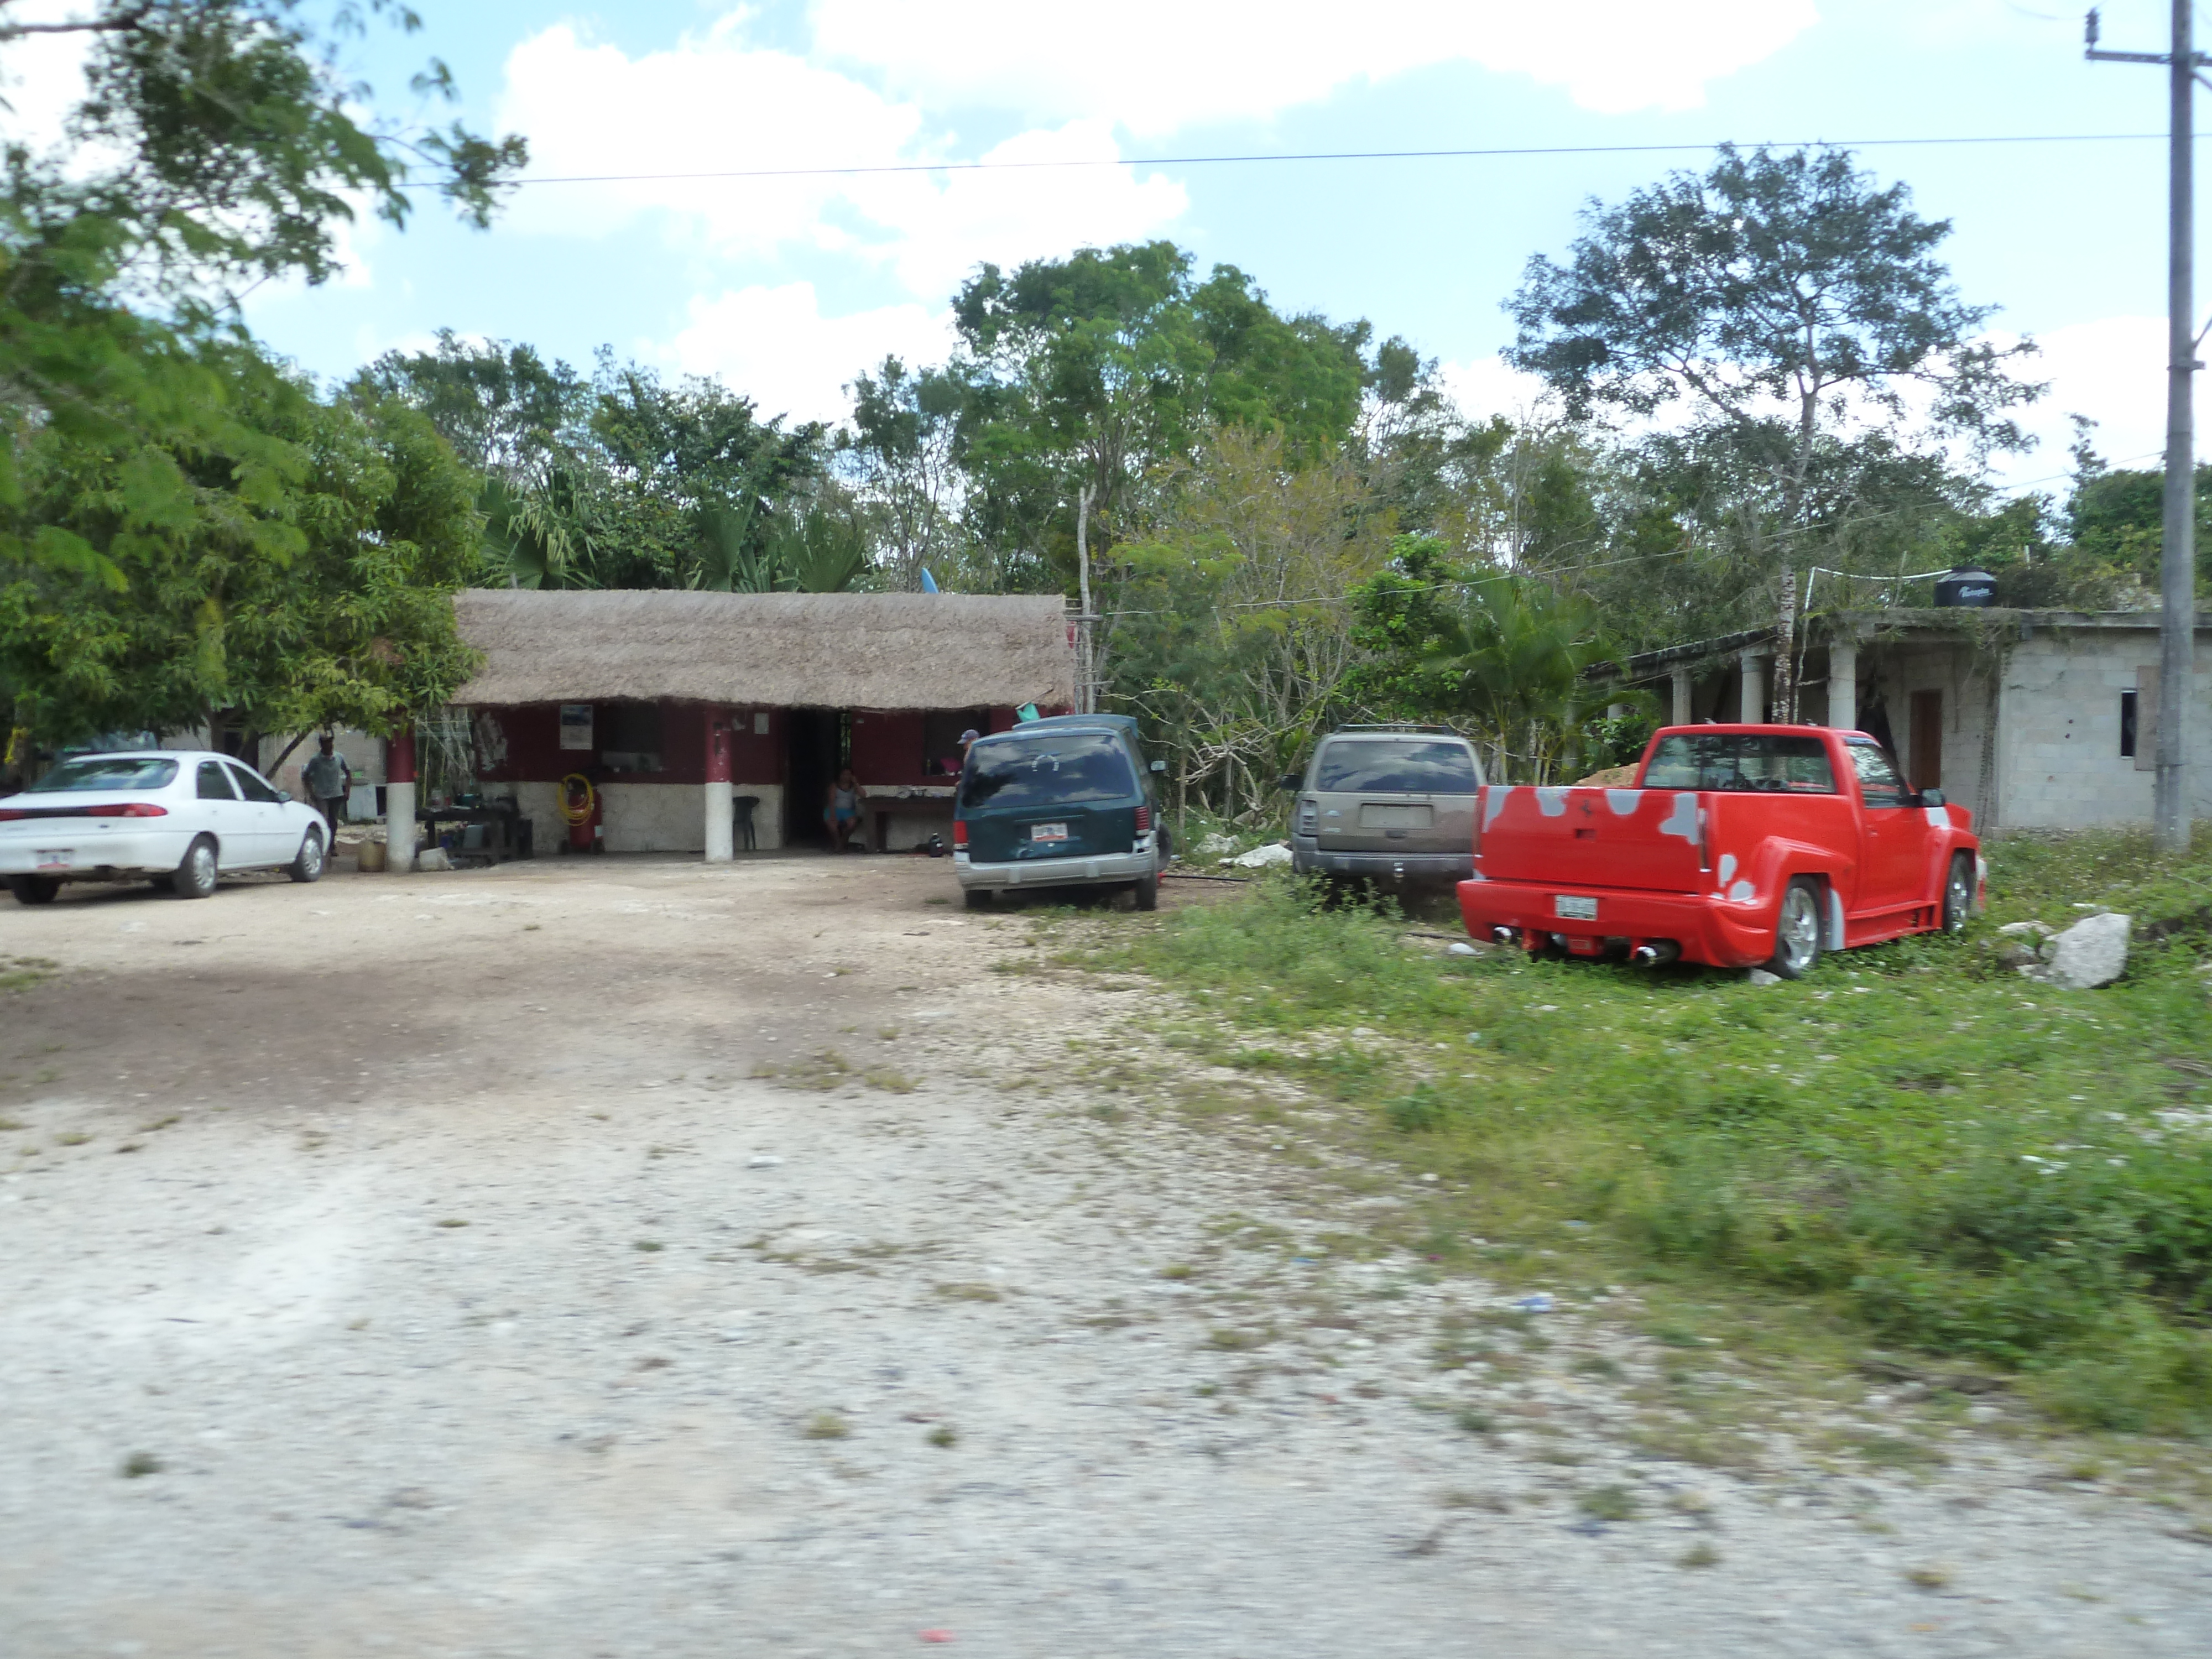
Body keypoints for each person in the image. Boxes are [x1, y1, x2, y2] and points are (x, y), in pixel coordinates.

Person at [303, 734, 351, 834]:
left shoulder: (339, 757)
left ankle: (332, 841)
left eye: (330, 743)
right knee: (324, 820)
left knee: (334, 821)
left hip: (336, 794)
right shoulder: (316, 760)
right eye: (326, 744)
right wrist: (311, 792)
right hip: (321, 795)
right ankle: (324, 839)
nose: (329, 746)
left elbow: (348, 773)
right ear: (322, 746)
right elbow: (306, 776)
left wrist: (347, 791)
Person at [823, 766, 862, 852]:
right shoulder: (835, 786)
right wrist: (833, 815)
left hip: (848, 812)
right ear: (840, 775)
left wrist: (856, 783)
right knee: (833, 826)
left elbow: (863, 795)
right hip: (833, 810)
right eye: (843, 774)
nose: (845, 777)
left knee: (852, 824)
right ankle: (839, 845)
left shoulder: (853, 787)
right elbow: (831, 801)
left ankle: (840, 844)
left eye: (848, 775)